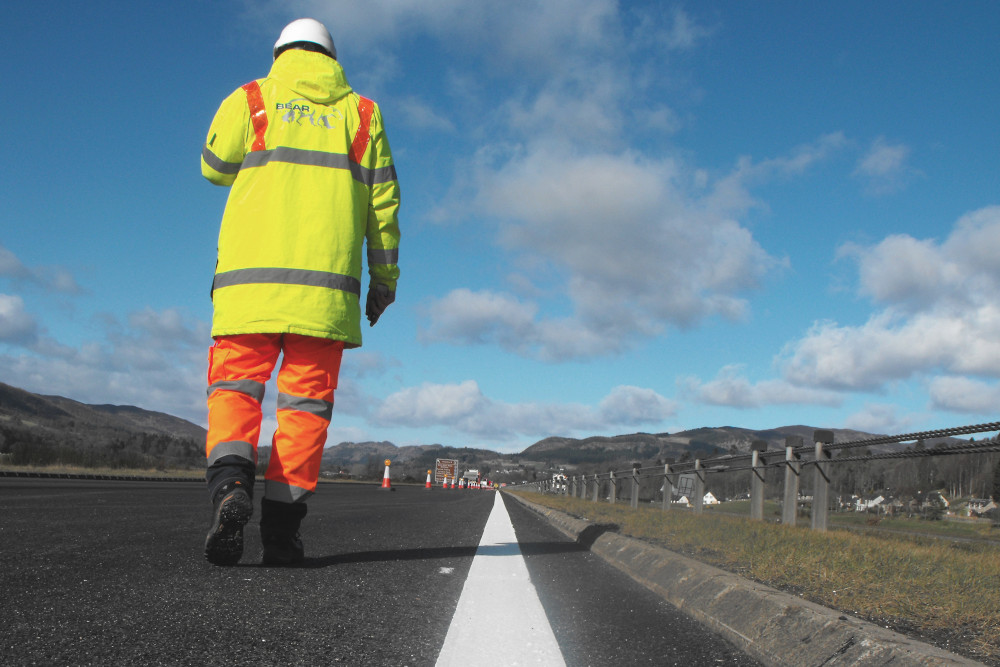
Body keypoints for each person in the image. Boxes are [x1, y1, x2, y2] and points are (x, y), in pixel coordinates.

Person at [199, 17, 400, 566]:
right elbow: (384, 209)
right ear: (333, 58)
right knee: (305, 414)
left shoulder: (251, 97)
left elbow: (213, 166)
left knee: (236, 394)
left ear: (279, 53)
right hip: (326, 298)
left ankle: (230, 489)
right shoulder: (364, 114)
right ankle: (282, 537)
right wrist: (383, 283)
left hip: (248, 291)